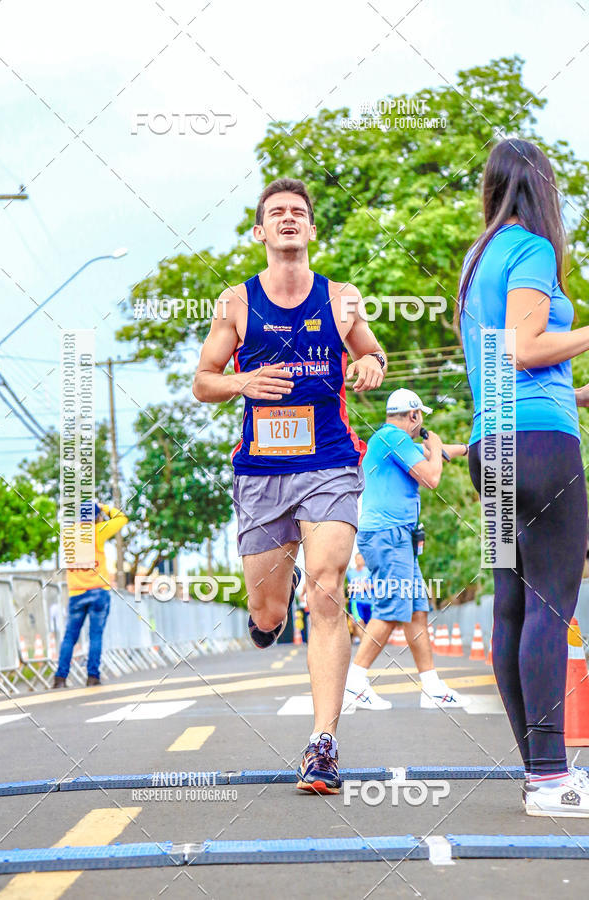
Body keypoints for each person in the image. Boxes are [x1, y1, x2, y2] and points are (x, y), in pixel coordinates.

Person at [193, 177, 386, 794]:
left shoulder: (341, 298)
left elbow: (375, 358)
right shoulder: (237, 303)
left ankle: (322, 743)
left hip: (329, 462)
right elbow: (203, 380)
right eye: (275, 213)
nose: (287, 220)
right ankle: (266, 616)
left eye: (297, 213)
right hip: (262, 471)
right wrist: (243, 384)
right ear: (259, 232)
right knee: (269, 607)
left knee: (327, 588)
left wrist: (364, 366)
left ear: (310, 230)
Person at [460, 138, 589, 817]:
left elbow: (506, 360)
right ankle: (549, 781)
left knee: (513, 603)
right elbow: (526, 347)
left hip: (496, 444)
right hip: (541, 446)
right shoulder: (533, 249)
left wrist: (577, 390)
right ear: (543, 188)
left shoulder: (478, 259)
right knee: (549, 603)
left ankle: (543, 772)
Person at [343, 388, 469, 711]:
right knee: (393, 606)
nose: (422, 421)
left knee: (415, 608)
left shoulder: (391, 441)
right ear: (413, 415)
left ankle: (431, 687)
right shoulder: (393, 440)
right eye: (420, 416)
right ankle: (355, 682)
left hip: (396, 535)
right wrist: (437, 446)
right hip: (388, 535)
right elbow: (431, 477)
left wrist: (469, 448)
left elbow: (436, 454)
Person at [53, 501, 128, 688]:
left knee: (70, 637)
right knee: (95, 636)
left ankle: (60, 678)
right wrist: (102, 507)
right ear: (96, 518)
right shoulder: (98, 531)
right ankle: (92, 676)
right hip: (98, 591)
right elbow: (122, 518)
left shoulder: (68, 534)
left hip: (76, 593)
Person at [345, 553, 373, 642]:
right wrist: (350, 588)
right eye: (357, 559)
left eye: (361, 559)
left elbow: (377, 584)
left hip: (369, 601)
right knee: (359, 622)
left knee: (369, 624)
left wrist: (366, 586)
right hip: (356, 601)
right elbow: (348, 587)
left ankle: (368, 642)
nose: (359, 561)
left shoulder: (369, 571)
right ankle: (364, 643)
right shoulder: (350, 573)